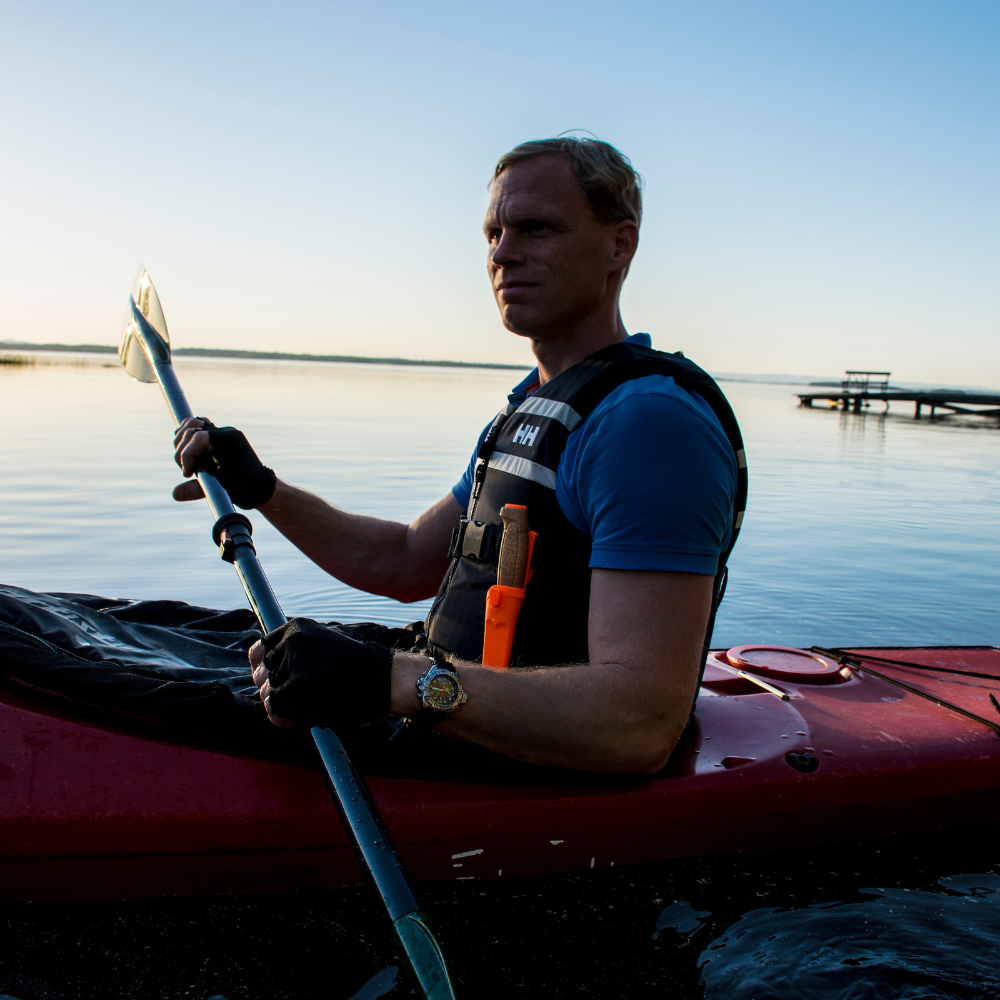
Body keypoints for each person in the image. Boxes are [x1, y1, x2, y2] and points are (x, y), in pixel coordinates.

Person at [172, 137, 745, 774]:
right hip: (444, 707)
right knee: (151, 633)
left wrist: (385, 682)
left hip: (519, 765)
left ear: (619, 245)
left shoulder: (649, 426)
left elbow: (637, 725)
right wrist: (265, 491)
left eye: (537, 228)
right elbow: (405, 560)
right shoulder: (534, 407)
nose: (504, 253)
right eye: (493, 232)